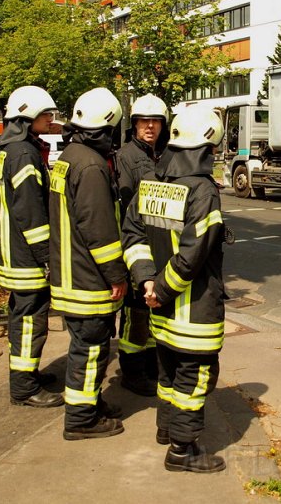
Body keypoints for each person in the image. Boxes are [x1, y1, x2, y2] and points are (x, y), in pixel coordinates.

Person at [122, 106, 227, 473]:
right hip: (192, 313)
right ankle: (183, 451)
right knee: (194, 377)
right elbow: (192, 256)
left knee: (167, 372)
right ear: (207, 147)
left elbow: (132, 234)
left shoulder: (152, 183)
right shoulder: (203, 191)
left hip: (159, 311)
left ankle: (166, 430)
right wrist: (162, 289)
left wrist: (147, 280)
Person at [49, 87, 127, 441]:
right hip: (88, 279)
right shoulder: (92, 166)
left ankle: (89, 403)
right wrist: (116, 273)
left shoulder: (69, 156)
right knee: (91, 347)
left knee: (86, 344)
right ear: (110, 126)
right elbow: (99, 229)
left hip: (69, 270)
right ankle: (81, 419)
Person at [0, 86, 64, 409]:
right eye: (46, 115)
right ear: (28, 118)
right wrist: (46, 257)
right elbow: (30, 212)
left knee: (23, 315)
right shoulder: (23, 153)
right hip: (26, 258)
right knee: (29, 319)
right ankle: (23, 386)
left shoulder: (15, 149)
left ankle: (28, 373)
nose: (51, 120)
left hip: (16, 254)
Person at [115, 93, 169, 396]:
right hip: (136, 245)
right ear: (134, 124)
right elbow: (126, 209)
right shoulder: (126, 157)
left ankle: (150, 367)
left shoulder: (164, 155)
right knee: (136, 314)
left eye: (155, 121)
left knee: (152, 312)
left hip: (160, 247)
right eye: (143, 121)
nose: (150, 126)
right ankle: (132, 373)